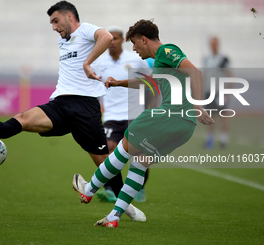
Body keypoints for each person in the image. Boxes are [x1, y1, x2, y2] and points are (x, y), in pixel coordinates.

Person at [0, 0, 145, 221]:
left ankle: (126, 207)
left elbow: (107, 37)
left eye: (55, 21)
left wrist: (87, 63)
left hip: (85, 107)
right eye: (51, 23)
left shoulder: (86, 30)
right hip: (60, 104)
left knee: (104, 161)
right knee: (22, 118)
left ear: (69, 16)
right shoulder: (64, 42)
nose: (53, 27)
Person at [72, 19, 215, 228]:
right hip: (185, 127)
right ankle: (113, 217)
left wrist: (198, 105)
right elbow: (147, 83)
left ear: (144, 39)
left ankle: (88, 190)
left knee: (122, 151)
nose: (134, 49)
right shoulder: (161, 63)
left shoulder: (167, 51)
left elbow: (195, 72)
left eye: (135, 43)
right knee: (139, 162)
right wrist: (118, 82)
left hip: (169, 115)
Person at [97, 26, 151, 203]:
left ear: (122, 41)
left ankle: (140, 188)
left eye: (116, 38)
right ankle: (110, 189)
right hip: (111, 115)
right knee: (109, 151)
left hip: (134, 114)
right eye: (109, 39)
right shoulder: (100, 63)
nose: (112, 42)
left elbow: (150, 82)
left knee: (139, 153)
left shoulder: (135, 60)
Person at [203, 36, 233, 149]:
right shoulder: (207, 59)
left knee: (223, 116)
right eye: (212, 43)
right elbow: (205, 75)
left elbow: (229, 74)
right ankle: (210, 141)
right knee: (209, 117)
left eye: (215, 43)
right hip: (209, 92)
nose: (213, 46)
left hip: (220, 91)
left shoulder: (223, 59)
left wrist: (228, 91)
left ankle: (223, 140)